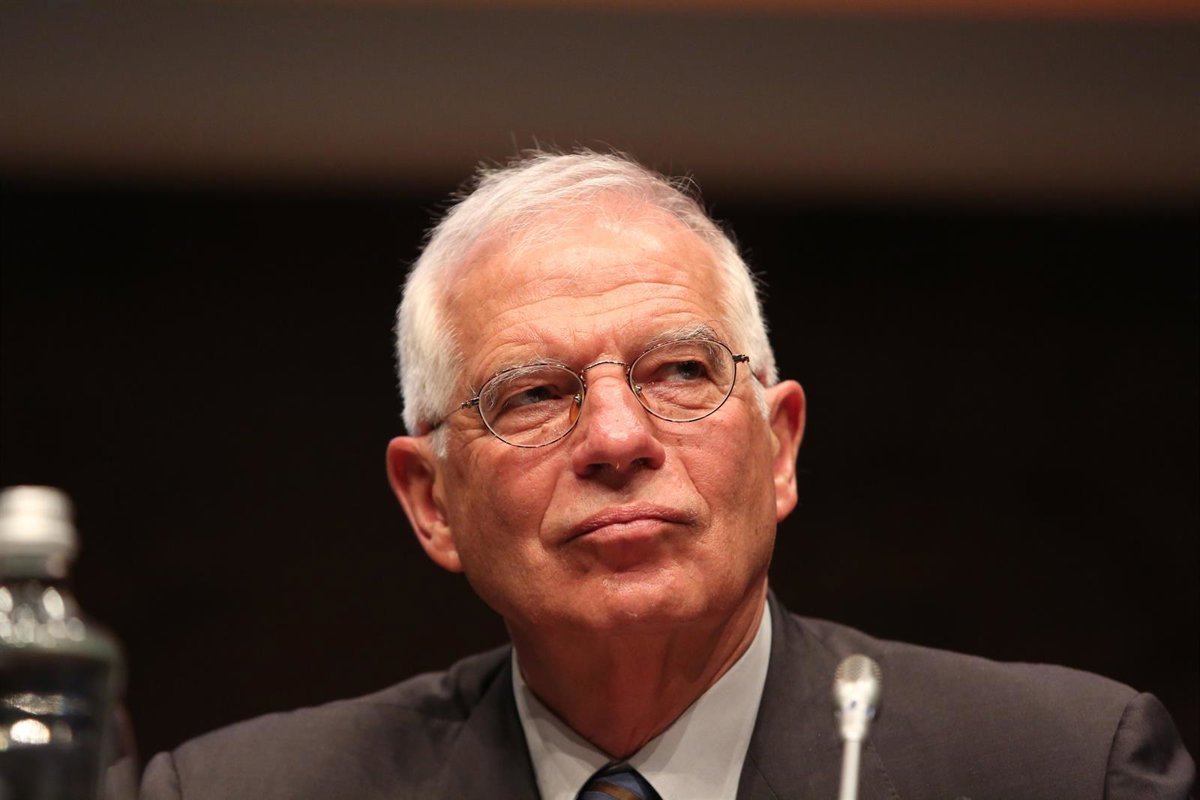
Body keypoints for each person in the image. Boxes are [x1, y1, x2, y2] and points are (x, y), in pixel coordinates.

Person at [138, 150, 1194, 799]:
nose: (616, 437)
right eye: (533, 393)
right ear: (431, 501)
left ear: (780, 448)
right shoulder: (237, 792)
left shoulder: (1065, 769)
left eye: (681, 371)